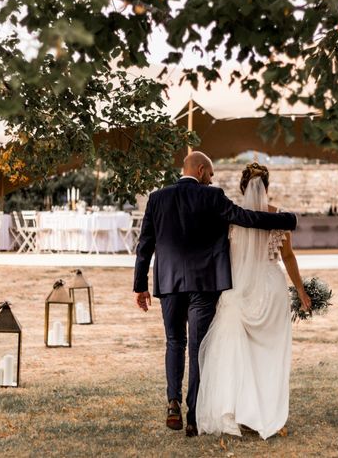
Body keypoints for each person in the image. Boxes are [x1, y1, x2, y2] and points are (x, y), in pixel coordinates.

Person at [133, 152, 298, 437]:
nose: (212, 179)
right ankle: (194, 417)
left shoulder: (157, 198)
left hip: (169, 282)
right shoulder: (212, 196)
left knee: (174, 342)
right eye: (210, 174)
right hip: (204, 284)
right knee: (198, 348)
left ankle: (173, 402)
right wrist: (286, 219)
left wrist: (140, 285)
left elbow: (145, 244)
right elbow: (244, 217)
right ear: (200, 170)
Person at [196, 162, 311, 439]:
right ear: (267, 188)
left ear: (242, 188)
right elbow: (288, 258)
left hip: (238, 290)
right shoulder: (278, 217)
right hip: (270, 291)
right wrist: (301, 290)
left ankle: (236, 410)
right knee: (269, 355)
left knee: (236, 354)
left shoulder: (231, 218)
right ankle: (264, 414)